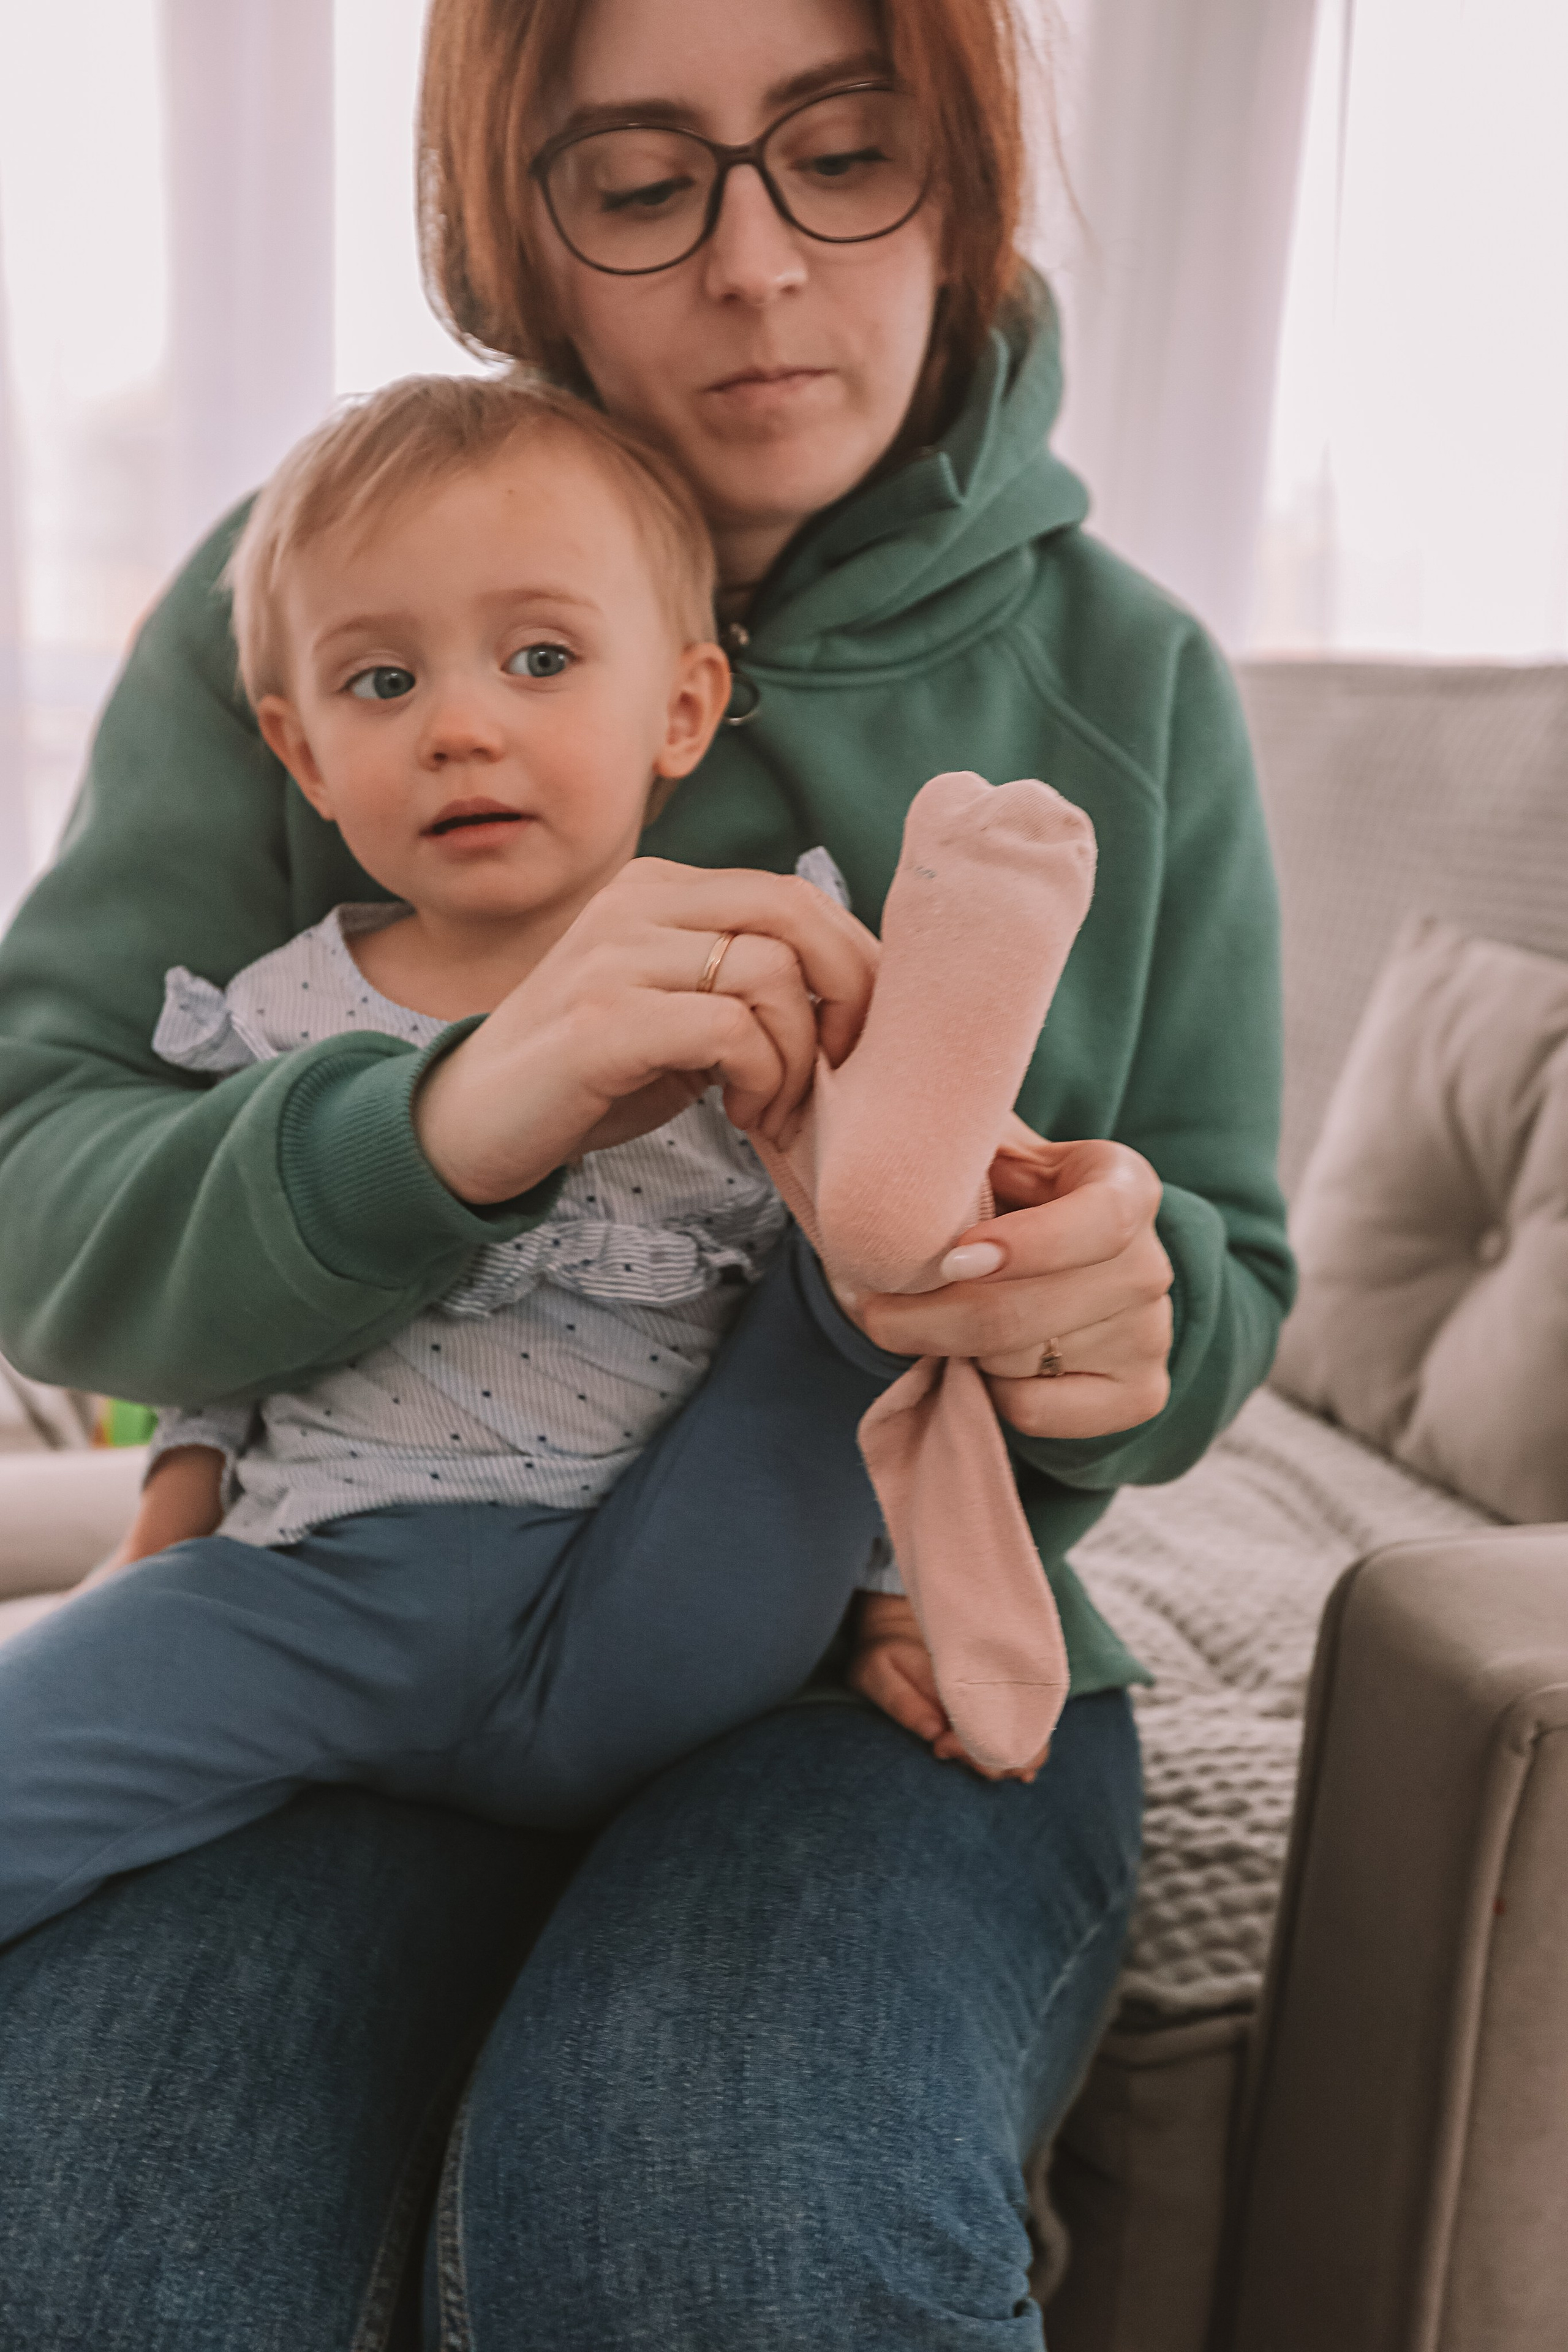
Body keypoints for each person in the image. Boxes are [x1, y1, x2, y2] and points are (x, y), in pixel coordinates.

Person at [0, 0, 1294, 2344]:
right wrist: (437, 1122)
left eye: (847, 149)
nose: (760, 266)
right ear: (528, 229)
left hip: (861, 1694)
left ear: (969, 167)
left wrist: (1122, 1306)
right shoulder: (318, 581)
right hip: (350, 1607)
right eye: (640, 177)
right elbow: (43, 1199)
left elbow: (1222, 1294)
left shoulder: (1132, 682)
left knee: (720, 2217)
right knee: (91, 2253)